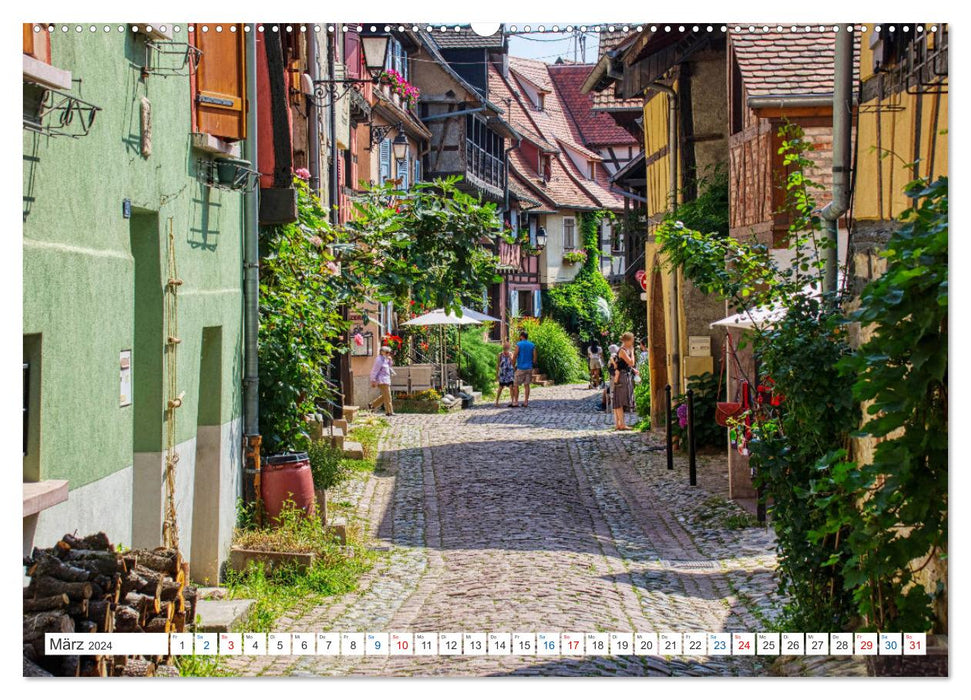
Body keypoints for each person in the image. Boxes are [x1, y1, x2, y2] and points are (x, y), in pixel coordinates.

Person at [611, 333, 639, 430]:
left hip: (622, 375)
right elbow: (631, 362)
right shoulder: (623, 351)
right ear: (627, 341)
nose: (633, 342)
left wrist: (633, 370)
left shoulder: (623, 350)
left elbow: (625, 365)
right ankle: (621, 424)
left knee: (618, 400)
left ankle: (619, 424)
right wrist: (632, 352)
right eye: (631, 340)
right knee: (619, 400)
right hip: (622, 377)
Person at [511, 330, 537, 408]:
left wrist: (513, 365)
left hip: (520, 368)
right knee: (527, 385)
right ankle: (526, 402)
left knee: (515, 385)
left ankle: (516, 401)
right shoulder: (532, 345)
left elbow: (515, 355)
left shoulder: (519, 344)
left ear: (521, 336)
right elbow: (535, 357)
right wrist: (532, 363)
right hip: (529, 368)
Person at [368, 345, 396, 416]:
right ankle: (389, 412)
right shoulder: (379, 360)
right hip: (382, 380)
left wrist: (390, 360)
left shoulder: (385, 359)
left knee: (385, 396)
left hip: (386, 380)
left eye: (389, 352)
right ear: (382, 352)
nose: (388, 354)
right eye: (387, 352)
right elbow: (375, 370)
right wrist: (373, 380)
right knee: (388, 396)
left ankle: (372, 405)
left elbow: (389, 366)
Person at [495, 342, 515, 407]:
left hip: (509, 373)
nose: (506, 350)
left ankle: (513, 401)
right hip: (503, 374)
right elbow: (498, 365)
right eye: (505, 349)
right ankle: (497, 401)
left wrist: (510, 356)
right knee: (500, 387)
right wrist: (497, 374)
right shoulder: (500, 355)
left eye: (507, 348)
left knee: (511, 387)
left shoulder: (511, 354)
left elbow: (513, 363)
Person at [602, 343, 619, 412]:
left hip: (614, 381)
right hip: (621, 382)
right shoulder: (619, 356)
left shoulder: (612, 357)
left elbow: (610, 368)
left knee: (605, 390)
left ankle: (604, 406)